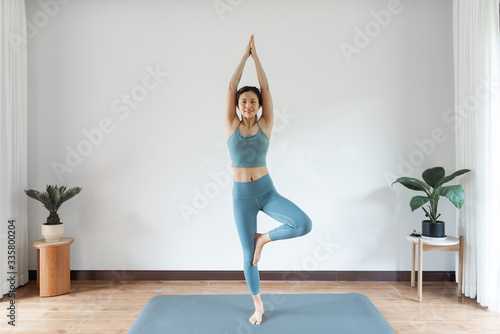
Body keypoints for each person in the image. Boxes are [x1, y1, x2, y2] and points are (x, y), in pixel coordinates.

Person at [225, 35, 313, 325]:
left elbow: (265, 87)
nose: (248, 105)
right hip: (242, 197)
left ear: (259, 105)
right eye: (243, 101)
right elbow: (230, 86)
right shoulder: (231, 125)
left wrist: (257, 58)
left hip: (266, 191)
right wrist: (243, 57)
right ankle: (258, 306)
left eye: (252, 101)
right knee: (248, 255)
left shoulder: (266, 124)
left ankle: (264, 238)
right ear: (238, 106)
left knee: (303, 224)